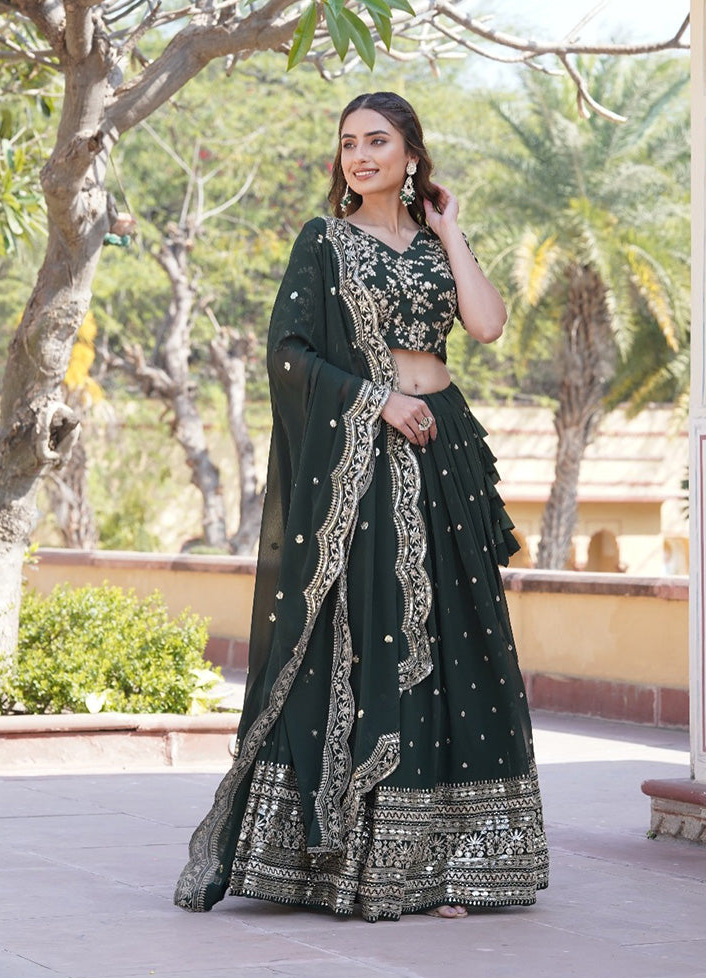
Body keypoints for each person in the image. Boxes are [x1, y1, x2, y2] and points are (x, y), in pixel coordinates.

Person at [174, 91, 548, 922]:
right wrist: (377, 400)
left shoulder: (437, 241)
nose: (361, 156)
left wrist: (452, 229)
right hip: (368, 456)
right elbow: (288, 353)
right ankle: (360, 858)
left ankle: (446, 862)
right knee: (379, 639)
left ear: (412, 154)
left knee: (458, 640)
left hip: (444, 448)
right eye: (349, 143)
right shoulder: (325, 240)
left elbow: (487, 326)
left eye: (378, 141)